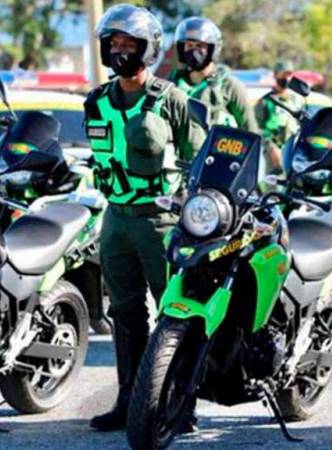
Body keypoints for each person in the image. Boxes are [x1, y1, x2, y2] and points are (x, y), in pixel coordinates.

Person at [85, 4, 205, 432]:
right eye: (113, 43)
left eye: (129, 44)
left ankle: (180, 404)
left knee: (175, 312)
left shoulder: (171, 99)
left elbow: (198, 159)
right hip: (115, 220)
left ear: (148, 49)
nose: (119, 51)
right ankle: (127, 401)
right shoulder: (96, 102)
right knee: (124, 313)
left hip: (161, 222)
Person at [169, 17, 258, 132]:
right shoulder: (172, 84)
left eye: (200, 46)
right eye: (189, 46)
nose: (194, 51)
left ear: (212, 49)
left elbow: (250, 130)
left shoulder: (229, 86)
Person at [255, 59, 305, 174]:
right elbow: (258, 129)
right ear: (276, 75)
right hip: (273, 156)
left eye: (289, 75)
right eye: (283, 74)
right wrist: (272, 148)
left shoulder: (297, 100)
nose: (286, 78)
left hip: (294, 154)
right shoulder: (266, 102)